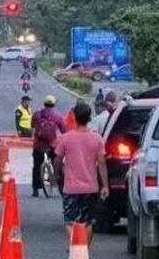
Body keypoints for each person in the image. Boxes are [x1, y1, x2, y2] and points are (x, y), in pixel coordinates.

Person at [55, 102, 109, 245]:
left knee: (69, 221)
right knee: (88, 222)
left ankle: (75, 245)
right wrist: (105, 186)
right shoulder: (97, 139)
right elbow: (102, 163)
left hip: (71, 188)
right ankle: (84, 249)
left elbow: (58, 159)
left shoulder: (66, 138)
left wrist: (57, 174)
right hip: (91, 187)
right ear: (89, 117)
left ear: (74, 117)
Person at [31, 95, 68, 197]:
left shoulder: (37, 114)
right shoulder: (57, 116)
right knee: (58, 163)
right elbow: (64, 130)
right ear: (54, 104)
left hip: (39, 145)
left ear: (44, 104)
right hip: (52, 144)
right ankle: (62, 187)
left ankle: (35, 190)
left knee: (36, 166)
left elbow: (33, 126)